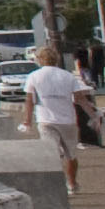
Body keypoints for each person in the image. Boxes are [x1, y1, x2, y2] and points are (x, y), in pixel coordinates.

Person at [24, 46, 84, 194]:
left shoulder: (34, 76)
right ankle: (72, 183)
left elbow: (30, 100)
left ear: (40, 59)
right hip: (67, 120)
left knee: (51, 153)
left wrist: (27, 120)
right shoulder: (68, 76)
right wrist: (94, 115)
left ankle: (55, 184)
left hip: (45, 119)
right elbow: (79, 98)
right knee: (71, 154)